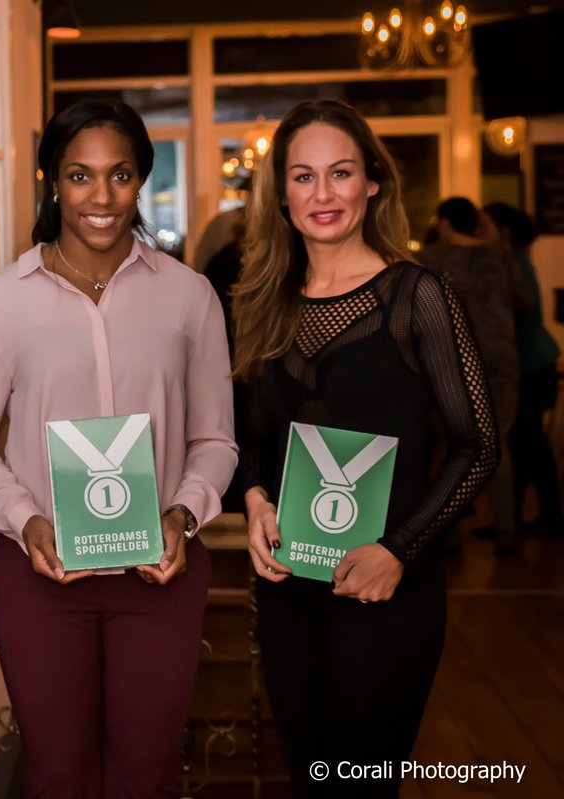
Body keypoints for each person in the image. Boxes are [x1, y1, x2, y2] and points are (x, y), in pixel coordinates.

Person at [0, 98, 237, 798]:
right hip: (39, 578)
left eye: (120, 175)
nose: (100, 197)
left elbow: (215, 439)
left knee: (147, 777)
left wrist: (183, 515)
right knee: (56, 777)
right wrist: (24, 519)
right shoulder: (0, 301)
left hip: (159, 574)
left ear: (140, 181)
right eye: (80, 175)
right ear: (52, 180)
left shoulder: (190, 297)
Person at [233, 100, 498, 798]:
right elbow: (253, 437)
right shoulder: (263, 302)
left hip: (389, 592)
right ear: (282, 194)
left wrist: (398, 550)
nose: (322, 193)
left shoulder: (418, 295)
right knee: (311, 779)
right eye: (303, 176)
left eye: (341, 172)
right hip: (290, 590)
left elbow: (478, 445)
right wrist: (255, 499)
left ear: (373, 182)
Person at [422, 196, 532, 555]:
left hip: (453, 363)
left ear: (444, 223)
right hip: (502, 361)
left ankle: (447, 533)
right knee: (497, 444)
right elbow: (526, 302)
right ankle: (507, 530)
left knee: (454, 446)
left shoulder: (433, 260)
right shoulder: (501, 257)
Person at [484, 202, 563, 537]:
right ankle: (520, 519)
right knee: (526, 444)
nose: (479, 232)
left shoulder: (512, 264)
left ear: (503, 232)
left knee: (528, 443)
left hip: (531, 366)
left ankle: (544, 519)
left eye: (485, 225)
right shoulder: (517, 260)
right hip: (537, 361)